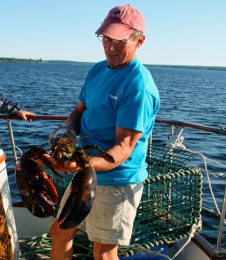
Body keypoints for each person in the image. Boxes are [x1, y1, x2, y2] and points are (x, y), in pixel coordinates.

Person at [40, 5, 160, 260]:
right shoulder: (97, 70)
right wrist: (69, 135)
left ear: (140, 41)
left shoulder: (138, 86)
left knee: (103, 252)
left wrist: (79, 164)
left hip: (117, 180)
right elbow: (78, 112)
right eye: (106, 38)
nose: (111, 47)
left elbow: (122, 149)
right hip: (86, 172)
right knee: (59, 232)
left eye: (119, 40)